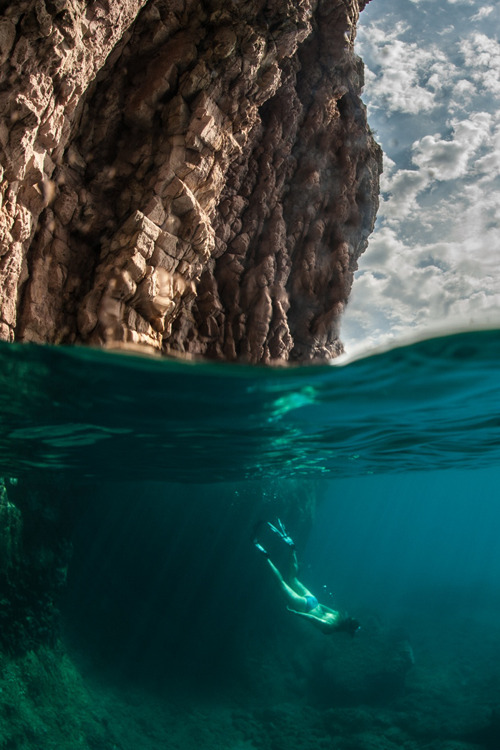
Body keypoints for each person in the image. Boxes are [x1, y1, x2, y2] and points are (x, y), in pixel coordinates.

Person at [254, 519, 360, 636]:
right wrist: (296, 613)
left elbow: (323, 607)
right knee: (281, 583)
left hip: (313, 600)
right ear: (347, 629)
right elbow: (313, 619)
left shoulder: (338, 614)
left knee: (293, 578)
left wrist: (316, 604)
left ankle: (291, 548)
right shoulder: (331, 628)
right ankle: (264, 554)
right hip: (305, 607)